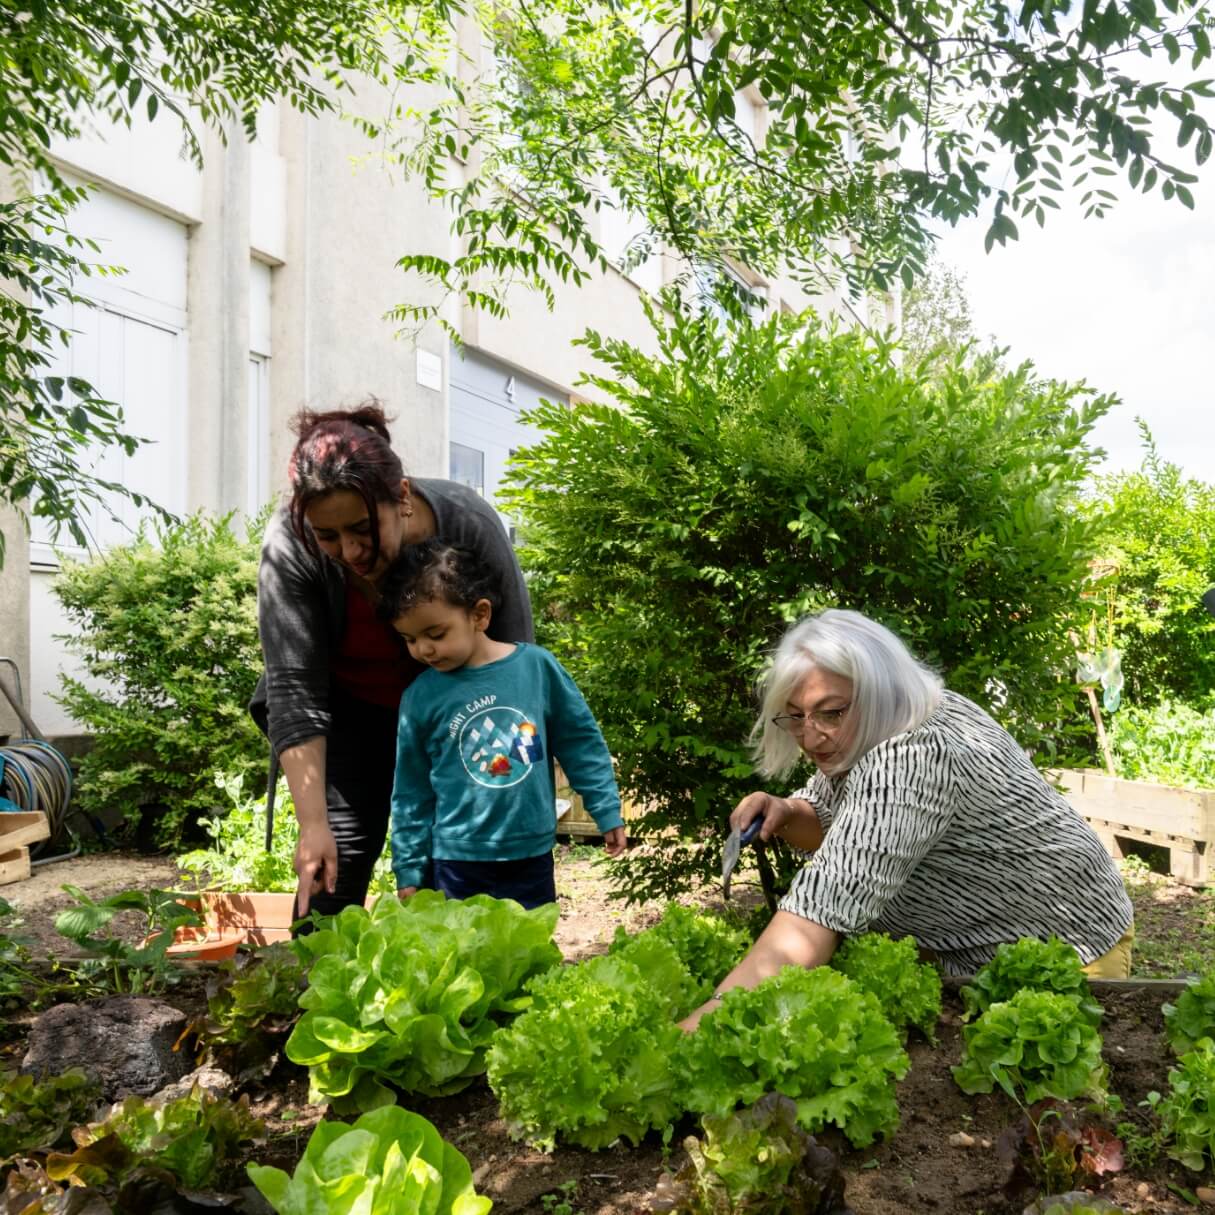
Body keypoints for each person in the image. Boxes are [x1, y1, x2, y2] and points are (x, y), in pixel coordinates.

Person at [680, 608, 1134, 1030]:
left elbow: (815, 919)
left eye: (831, 711)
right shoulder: (893, 716)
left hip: (1065, 945)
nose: (811, 735)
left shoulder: (914, 756)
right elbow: (837, 818)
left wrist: (703, 1027)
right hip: (972, 948)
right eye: (796, 717)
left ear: (880, 689)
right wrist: (788, 811)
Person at [250, 403, 534, 921]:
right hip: (349, 713)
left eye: (362, 528)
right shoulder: (290, 543)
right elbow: (295, 690)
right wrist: (313, 826)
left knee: (469, 860)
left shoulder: (468, 523)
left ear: (401, 497)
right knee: (338, 859)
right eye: (328, 536)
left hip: (454, 713)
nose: (350, 550)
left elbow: (514, 662)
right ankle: (311, 992)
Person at [377, 539, 627, 907]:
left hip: (531, 856)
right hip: (455, 862)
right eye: (409, 639)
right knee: (460, 961)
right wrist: (410, 867)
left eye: (435, 634)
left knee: (530, 956)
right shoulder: (420, 696)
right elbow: (411, 792)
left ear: (479, 615)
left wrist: (605, 809)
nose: (423, 650)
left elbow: (580, 742)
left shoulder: (536, 669)